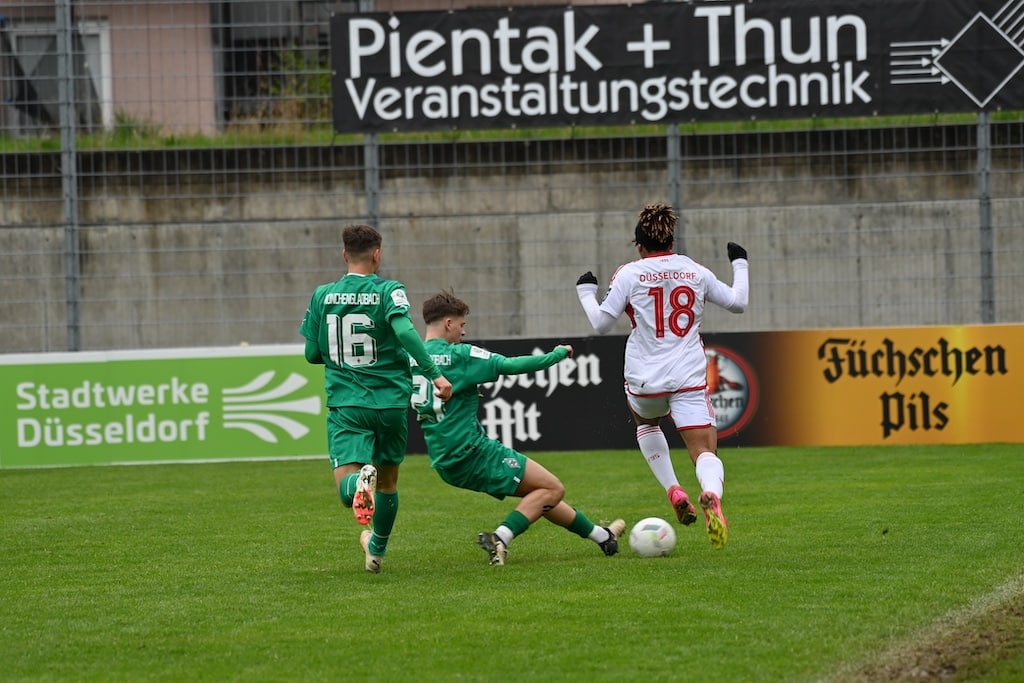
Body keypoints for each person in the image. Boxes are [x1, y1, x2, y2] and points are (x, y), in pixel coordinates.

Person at [575, 203, 749, 549]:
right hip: (687, 376)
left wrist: (585, 292)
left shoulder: (629, 273)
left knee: (647, 425)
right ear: (671, 240)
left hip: (643, 379)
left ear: (639, 245)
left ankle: (673, 489)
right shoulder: (694, 270)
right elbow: (737, 302)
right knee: (704, 452)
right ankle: (711, 494)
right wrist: (740, 263)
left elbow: (601, 323)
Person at [410, 290, 626, 566]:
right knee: (552, 489)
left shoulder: (411, 358)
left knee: (538, 495)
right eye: (462, 325)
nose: (463, 333)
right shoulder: (460, 355)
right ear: (449, 324)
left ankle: (602, 537)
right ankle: (500, 537)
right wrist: (555, 355)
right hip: (473, 452)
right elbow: (509, 365)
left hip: (444, 462)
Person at [300, 224, 452, 573]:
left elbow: (311, 353)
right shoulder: (391, 291)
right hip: (391, 403)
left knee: (346, 490)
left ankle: (359, 481)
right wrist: (436, 374)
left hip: (347, 404)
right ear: (377, 254)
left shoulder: (322, 295)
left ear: (344, 255)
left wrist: (339, 356)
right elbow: (403, 331)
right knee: (388, 483)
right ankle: (377, 550)